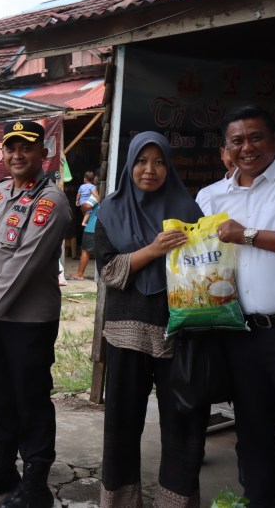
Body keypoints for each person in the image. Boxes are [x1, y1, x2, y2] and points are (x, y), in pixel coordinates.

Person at [0, 119, 73, 507]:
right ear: (3, 153)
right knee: (0, 396)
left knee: (31, 400)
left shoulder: (51, 201)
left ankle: (36, 485)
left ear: (44, 153)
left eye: (27, 147)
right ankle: (3, 469)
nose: (18, 154)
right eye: (11, 147)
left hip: (28, 322)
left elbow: (27, 259)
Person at [93, 132, 208, 505]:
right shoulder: (110, 211)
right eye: (142, 161)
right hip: (125, 332)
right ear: (130, 164)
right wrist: (154, 250)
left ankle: (177, 501)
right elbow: (109, 272)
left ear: (169, 166)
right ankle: (121, 500)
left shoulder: (189, 211)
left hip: (179, 332)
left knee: (183, 423)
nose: (150, 170)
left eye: (159, 162)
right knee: (122, 424)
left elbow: (205, 270)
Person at [197, 105, 275, 507]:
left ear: (274, 140)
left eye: (256, 137)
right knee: (254, 434)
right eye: (237, 141)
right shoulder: (210, 197)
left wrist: (248, 235)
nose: (247, 147)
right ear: (225, 149)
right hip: (239, 334)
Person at [69, 171, 100, 280]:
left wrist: (82, 207)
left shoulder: (94, 195)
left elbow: (86, 206)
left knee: (85, 250)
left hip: (92, 226)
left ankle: (80, 274)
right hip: (100, 226)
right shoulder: (105, 193)